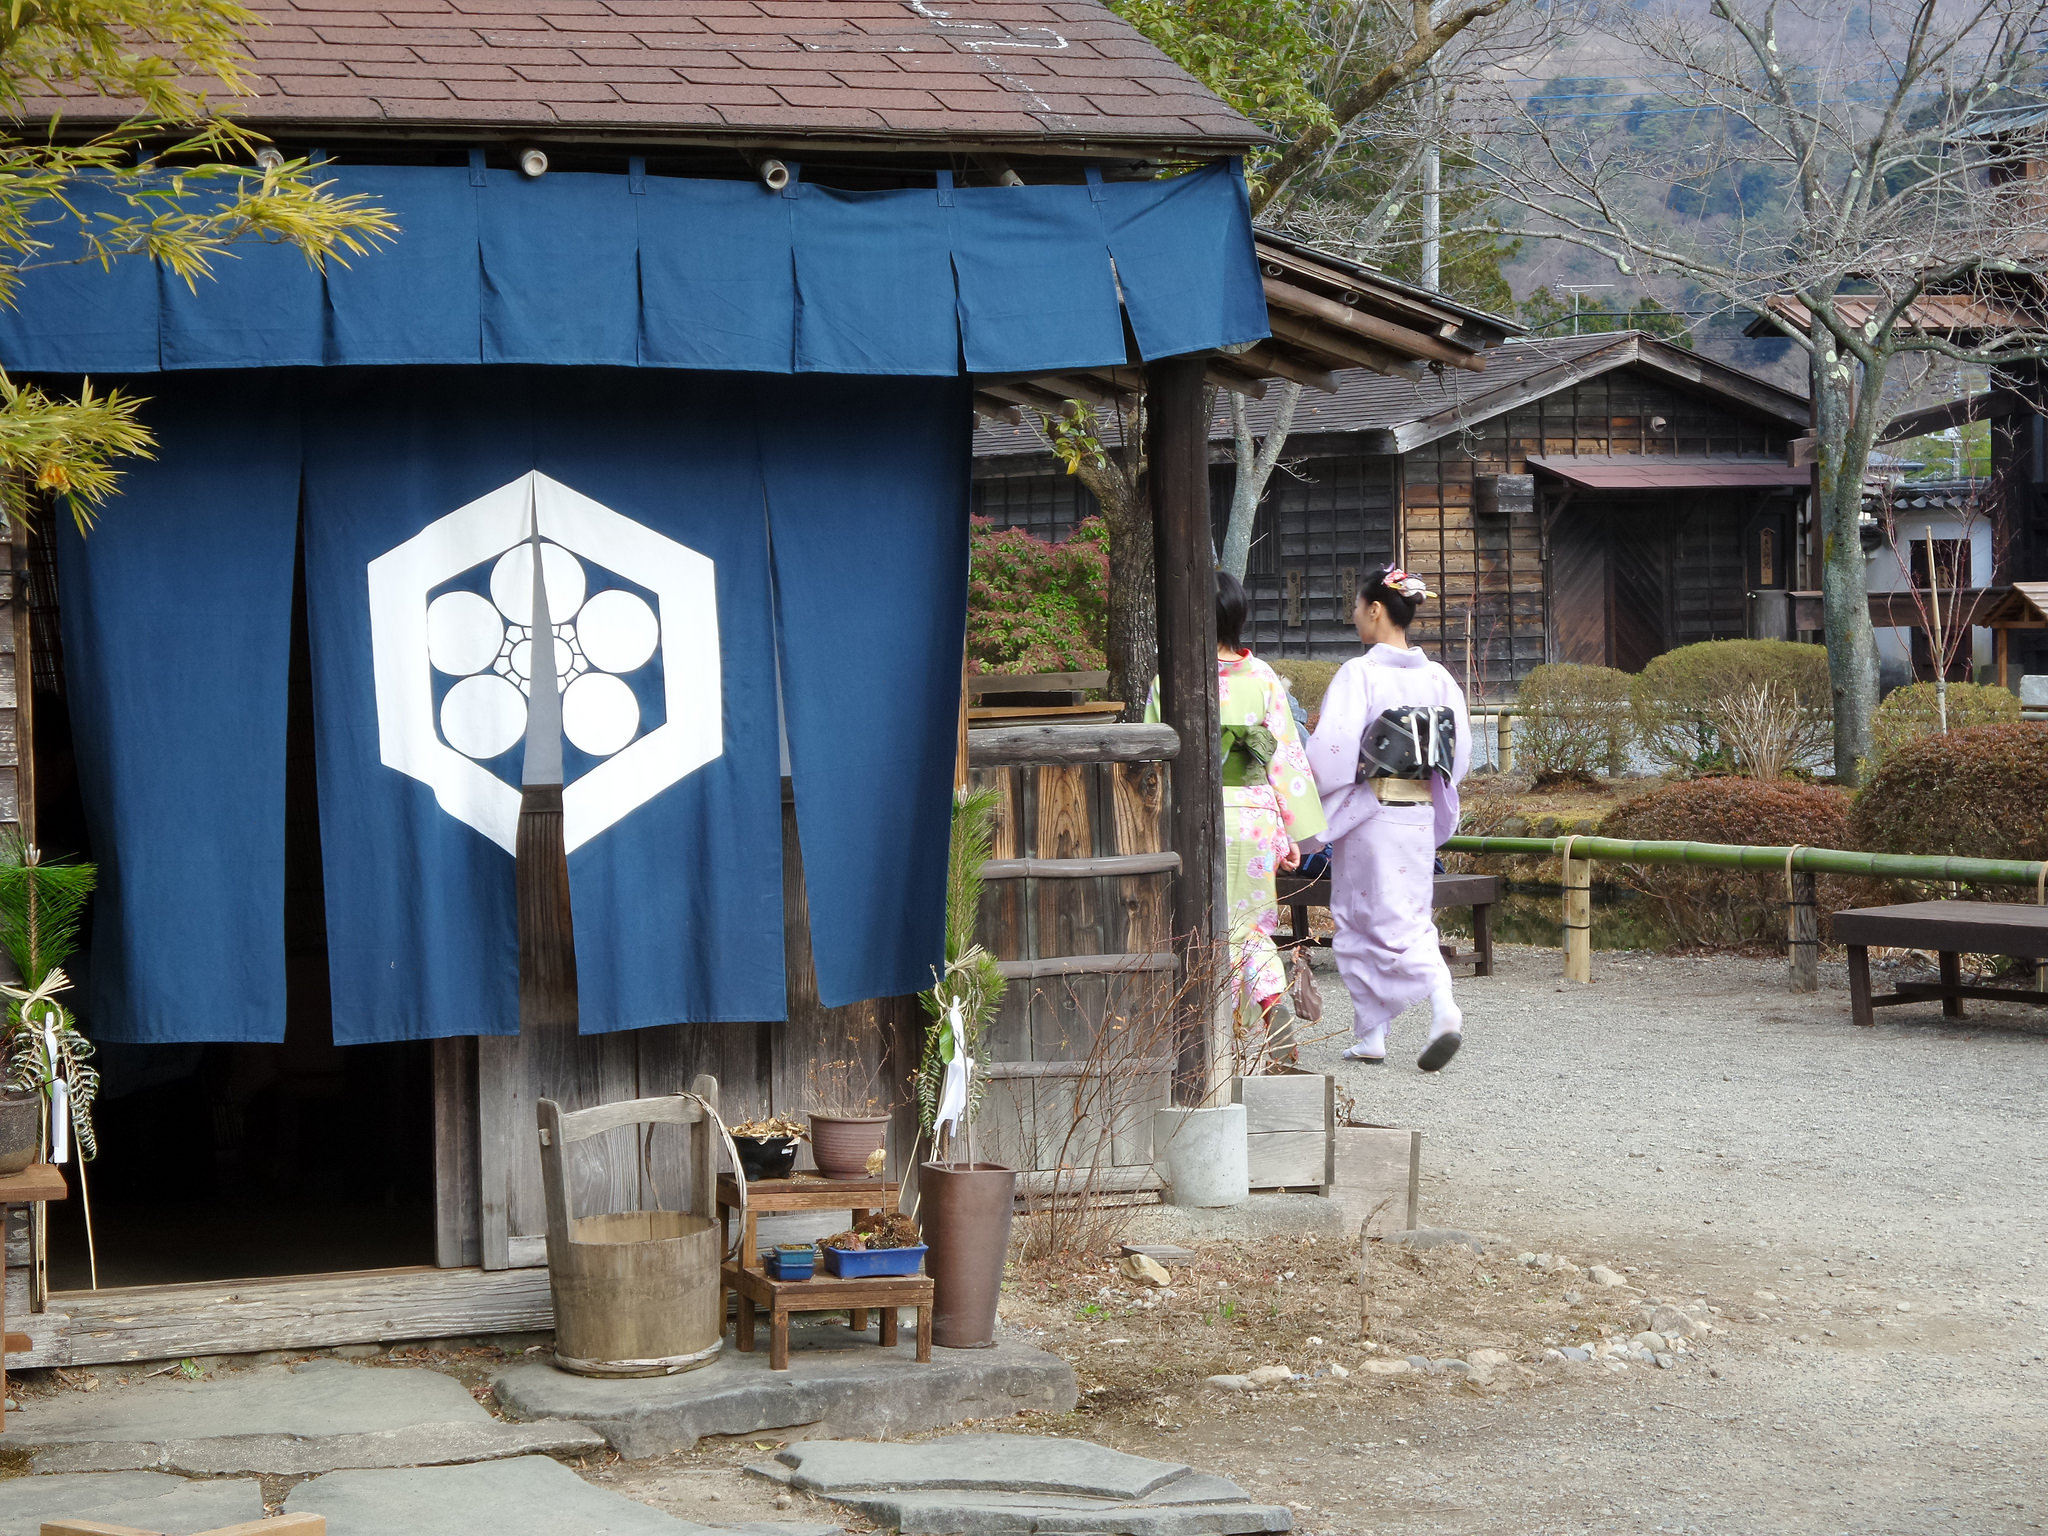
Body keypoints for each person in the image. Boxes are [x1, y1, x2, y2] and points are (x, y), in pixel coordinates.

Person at [1148, 572, 1326, 1061]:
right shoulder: (1263, 678)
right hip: (1253, 813)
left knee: (1195, 923)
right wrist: (1292, 833)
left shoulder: (1172, 680)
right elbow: (1285, 758)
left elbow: (1151, 764)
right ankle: (1269, 1004)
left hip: (1191, 817)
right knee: (1250, 927)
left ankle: (1213, 1031)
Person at [1304, 565, 1471, 1071]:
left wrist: (1309, 792)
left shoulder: (1361, 673)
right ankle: (1371, 1033)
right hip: (1418, 810)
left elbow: (1331, 752)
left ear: (1375, 610)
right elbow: (1457, 756)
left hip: (1371, 815)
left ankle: (1443, 1006)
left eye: (1357, 607)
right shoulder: (1438, 677)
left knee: (1364, 919)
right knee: (1405, 914)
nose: (1354, 617)